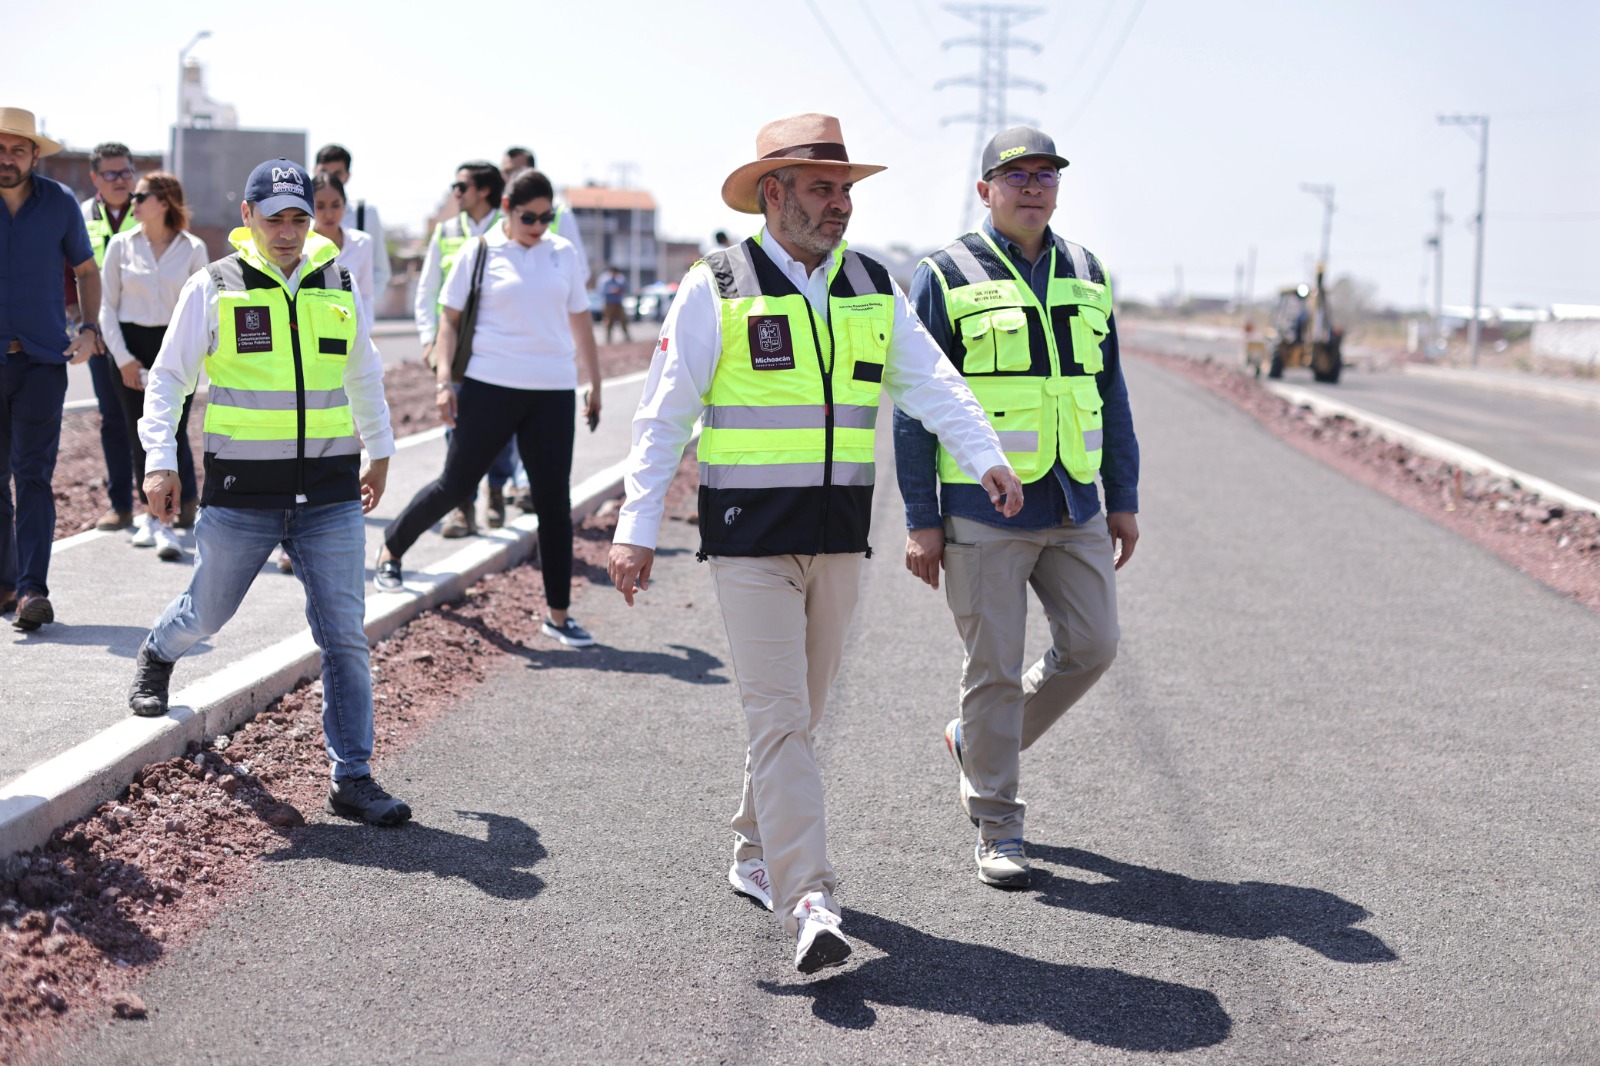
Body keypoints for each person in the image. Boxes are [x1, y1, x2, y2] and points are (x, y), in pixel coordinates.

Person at [606, 114, 1022, 973]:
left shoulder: (873, 283)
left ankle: (752, 846)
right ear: (775, 193)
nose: (841, 205)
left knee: (802, 712)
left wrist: (985, 455)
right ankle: (809, 898)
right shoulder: (715, 286)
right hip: (748, 543)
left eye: (847, 191)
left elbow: (932, 382)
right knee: (782, 718)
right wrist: (634, 530)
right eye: (823, 189)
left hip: (837, 541)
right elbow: (662, 418)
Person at [126, 157, 410, 826]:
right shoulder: (214, 287)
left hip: (332, 496)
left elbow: (364, 375)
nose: (286, 231)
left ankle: (354, 777)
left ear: (311, 220)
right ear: (247, 218)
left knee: (344, 636)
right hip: (242, 495)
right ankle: (159, 651)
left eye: (298, 218)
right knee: (208, 615)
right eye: (273, 217)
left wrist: (382, 453)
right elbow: (168, 380)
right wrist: (159, 461)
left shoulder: (338, 281)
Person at [894, 127, 1140, 890]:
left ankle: (977, 741)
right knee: (993, 668)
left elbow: (1110, 391)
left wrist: (1123, 497)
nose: (1032, 186)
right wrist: (920, 517)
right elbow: (913, 405)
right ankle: (998, 824)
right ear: (985, 190)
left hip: (1074, 500)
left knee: (1094, 644)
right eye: (1015, 175)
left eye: (1045, 174)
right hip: (982, 510)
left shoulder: (1088, 271)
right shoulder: (943, 274)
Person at [377, 169, 601, 649]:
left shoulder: (563, 253)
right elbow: (449, 320)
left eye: (547, 217)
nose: (539, 225)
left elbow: (580, 320)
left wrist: (594, 382)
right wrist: (442, 382)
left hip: (553, 392)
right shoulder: (479, 252)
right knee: (455, 484)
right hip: (489, 387)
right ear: (506, 207)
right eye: (529, 217)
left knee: (553, 504)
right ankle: (392, 549)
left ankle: (559, 617)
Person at [0, 107, 103, 631]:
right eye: (0, 149)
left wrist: (90, 329)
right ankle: (6, 580)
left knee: (33, 476)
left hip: (42, 361)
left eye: (18, 149)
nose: (8, 158)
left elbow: (86, 269)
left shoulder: (59, 203)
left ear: (35, 154)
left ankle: (32, 591)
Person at [99, 172, 208, 561]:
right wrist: (124, 359)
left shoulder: (194, 248)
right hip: (130, 349)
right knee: (138, 435)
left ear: (163, 201)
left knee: (174, 433)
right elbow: (106, 308)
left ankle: (172, 521)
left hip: (176, 349)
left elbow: (201, 311)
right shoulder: (120, 246)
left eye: (141, 195)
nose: (132, 200)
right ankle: (152, 517)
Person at [414, 161, 510, 538]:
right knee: (455, 428)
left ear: (483, 191)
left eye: (460, 186)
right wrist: (428, 339)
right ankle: (462, 508)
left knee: (503, 429)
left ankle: (498, 492)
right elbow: (427, 289)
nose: (454, 193)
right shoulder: (447, 231)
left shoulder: (510, 228)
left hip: (496, 348)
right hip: (453, 347)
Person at [80, 141, 140, 532]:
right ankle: (121, 505)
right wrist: (83, 323)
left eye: (126, 171)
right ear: (95, 178)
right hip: (101, 333)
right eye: (111, 174)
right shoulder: (82, 214)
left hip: (146, 333)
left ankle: (167, 503)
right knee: (112, 420)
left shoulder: (150, 208)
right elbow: (72, 269)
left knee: (153, 419)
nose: (120, 180)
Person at [313, 144, 389, 307]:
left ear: (347, 176)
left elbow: (380, 272)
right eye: (324, 172)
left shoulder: (365, 214)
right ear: (315, 172)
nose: (330, 178)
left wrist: (360, 310)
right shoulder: (303, 218)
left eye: (338, 173)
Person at [599, 264, 630, 343]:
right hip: (609, 303)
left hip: (618, 303)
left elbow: (626, 289)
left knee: (623, 320)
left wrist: (619, 290)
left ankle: (627, 337)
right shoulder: (605, 280)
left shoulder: (620, 280)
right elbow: (601, 291)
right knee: (609, 321)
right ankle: (608, 339)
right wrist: (611, 291)